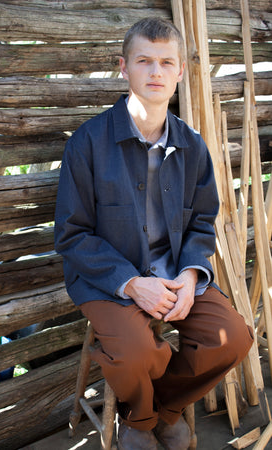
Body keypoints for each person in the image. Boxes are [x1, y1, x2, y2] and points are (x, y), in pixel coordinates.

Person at [54, 17, 254, 450]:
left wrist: (190, 276)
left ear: (181, 71)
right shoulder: (86, 144)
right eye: (145, 61)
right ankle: (140, 421)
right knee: (137, 352)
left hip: (176, 274)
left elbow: (202, 222)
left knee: (233, 338)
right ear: (124, 68)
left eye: (166, 62)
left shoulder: (193, 146)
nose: (156, 72)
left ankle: (160, 412)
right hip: (107, 279)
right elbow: (71, 236)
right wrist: (130, 282)